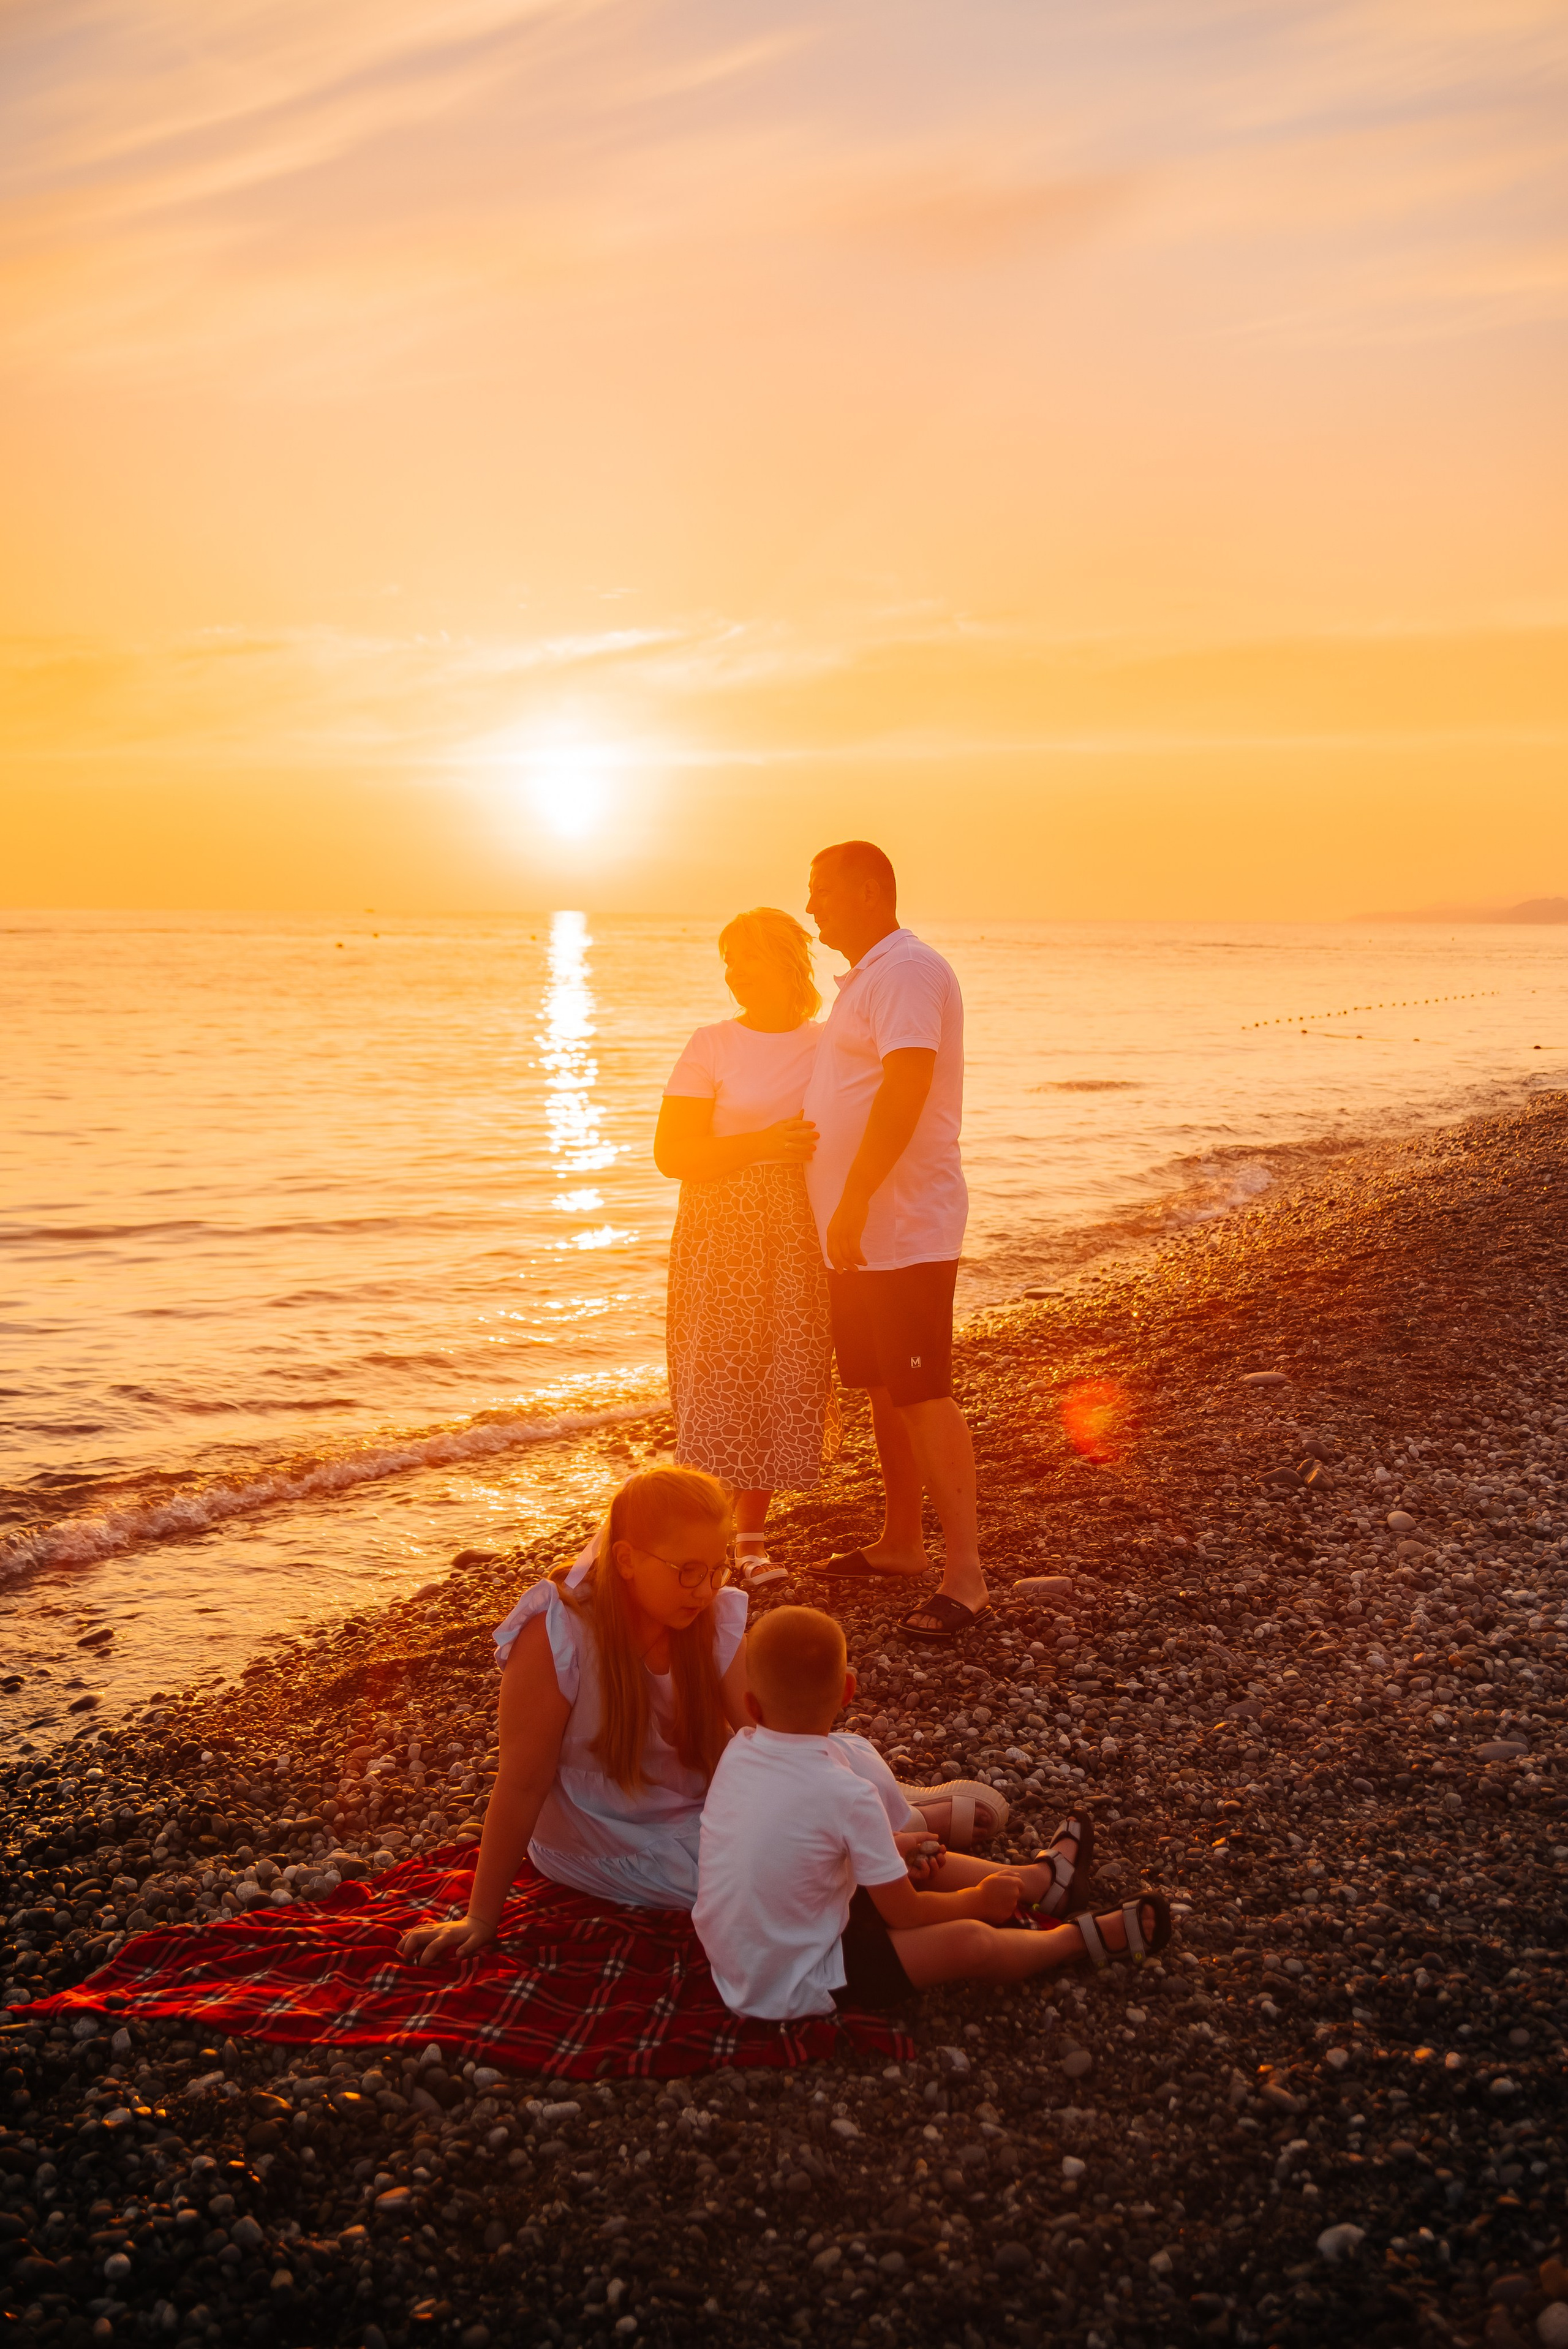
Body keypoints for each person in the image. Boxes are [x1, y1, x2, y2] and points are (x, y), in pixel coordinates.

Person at [396, 1468, 911, 1964]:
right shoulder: (558, 1633)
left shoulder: (706, 1612)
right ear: (625, 1559)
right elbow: (522, 1783)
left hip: (697, 1797)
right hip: (612, 1832)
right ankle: (894, 1842)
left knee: (847, 1757)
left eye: (717, 1568)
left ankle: (893, 1833)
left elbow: (766, 1741)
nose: (706, 1588)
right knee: (775, 1876)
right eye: (688, 1570)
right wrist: (480, 1918)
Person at [694, 1608, 1172, 2021]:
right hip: (793, 1979)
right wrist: (978, 1902)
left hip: (737, 1958)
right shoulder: (846, 1791)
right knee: (971, 1941)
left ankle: (1039, 1883)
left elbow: (799, 1845)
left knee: (916, 1852)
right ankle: (1074, 1940)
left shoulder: (740, 1750)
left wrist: (893, 1846)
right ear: (848, 1691)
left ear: (751, 1705)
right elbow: (904, 1914)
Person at [799, 840, 986, 1642]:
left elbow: (906, 1085)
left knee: (921, 1390)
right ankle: (904, 1542)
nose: (811, 909)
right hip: (863, 1232)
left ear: (870, 890)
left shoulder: (908, 970)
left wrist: (858, 1196)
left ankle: (967, 1576)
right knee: (881, 1386)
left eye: (824, 893)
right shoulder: (867, 979)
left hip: (902, 1224)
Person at [655, 907, 836, 1591]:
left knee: (780, 1373)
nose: (734, 974)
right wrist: (762, 1145)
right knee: (716, 1377)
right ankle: (703, 1537)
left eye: (747, 958)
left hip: (795, 1228)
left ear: (787, 962)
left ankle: (751, 1540)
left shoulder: (828, 1043)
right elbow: (672, 1153)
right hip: (718, 1231)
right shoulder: (711, 1044)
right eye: (727, 961)